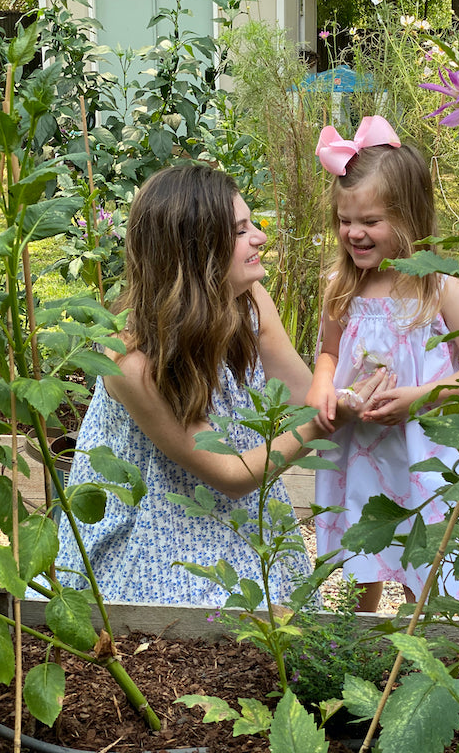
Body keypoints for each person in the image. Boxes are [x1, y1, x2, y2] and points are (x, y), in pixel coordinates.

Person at [51, 164, 384, 607]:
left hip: (234, 517)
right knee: (215, 623)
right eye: (241, 230)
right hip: (152, 537)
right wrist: (327, 423)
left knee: (277, 622)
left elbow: (306, 396)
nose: (260, 238)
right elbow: (229, 475)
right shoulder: (130, 360)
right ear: (195, 252)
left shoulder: (247, 301)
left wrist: (371, 359)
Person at [307, 116, 459, 612]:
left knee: (425, 556)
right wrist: (323, 388)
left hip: (424, 452)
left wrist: (418, 399)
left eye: (370, 221)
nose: (354, 233)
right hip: (360, 449)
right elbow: (328, 353)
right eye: (344, 220)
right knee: (362, 548)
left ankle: (422, 649)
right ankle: (359, 645)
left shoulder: (441, 290)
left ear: (410, 217)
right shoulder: (343, 288)